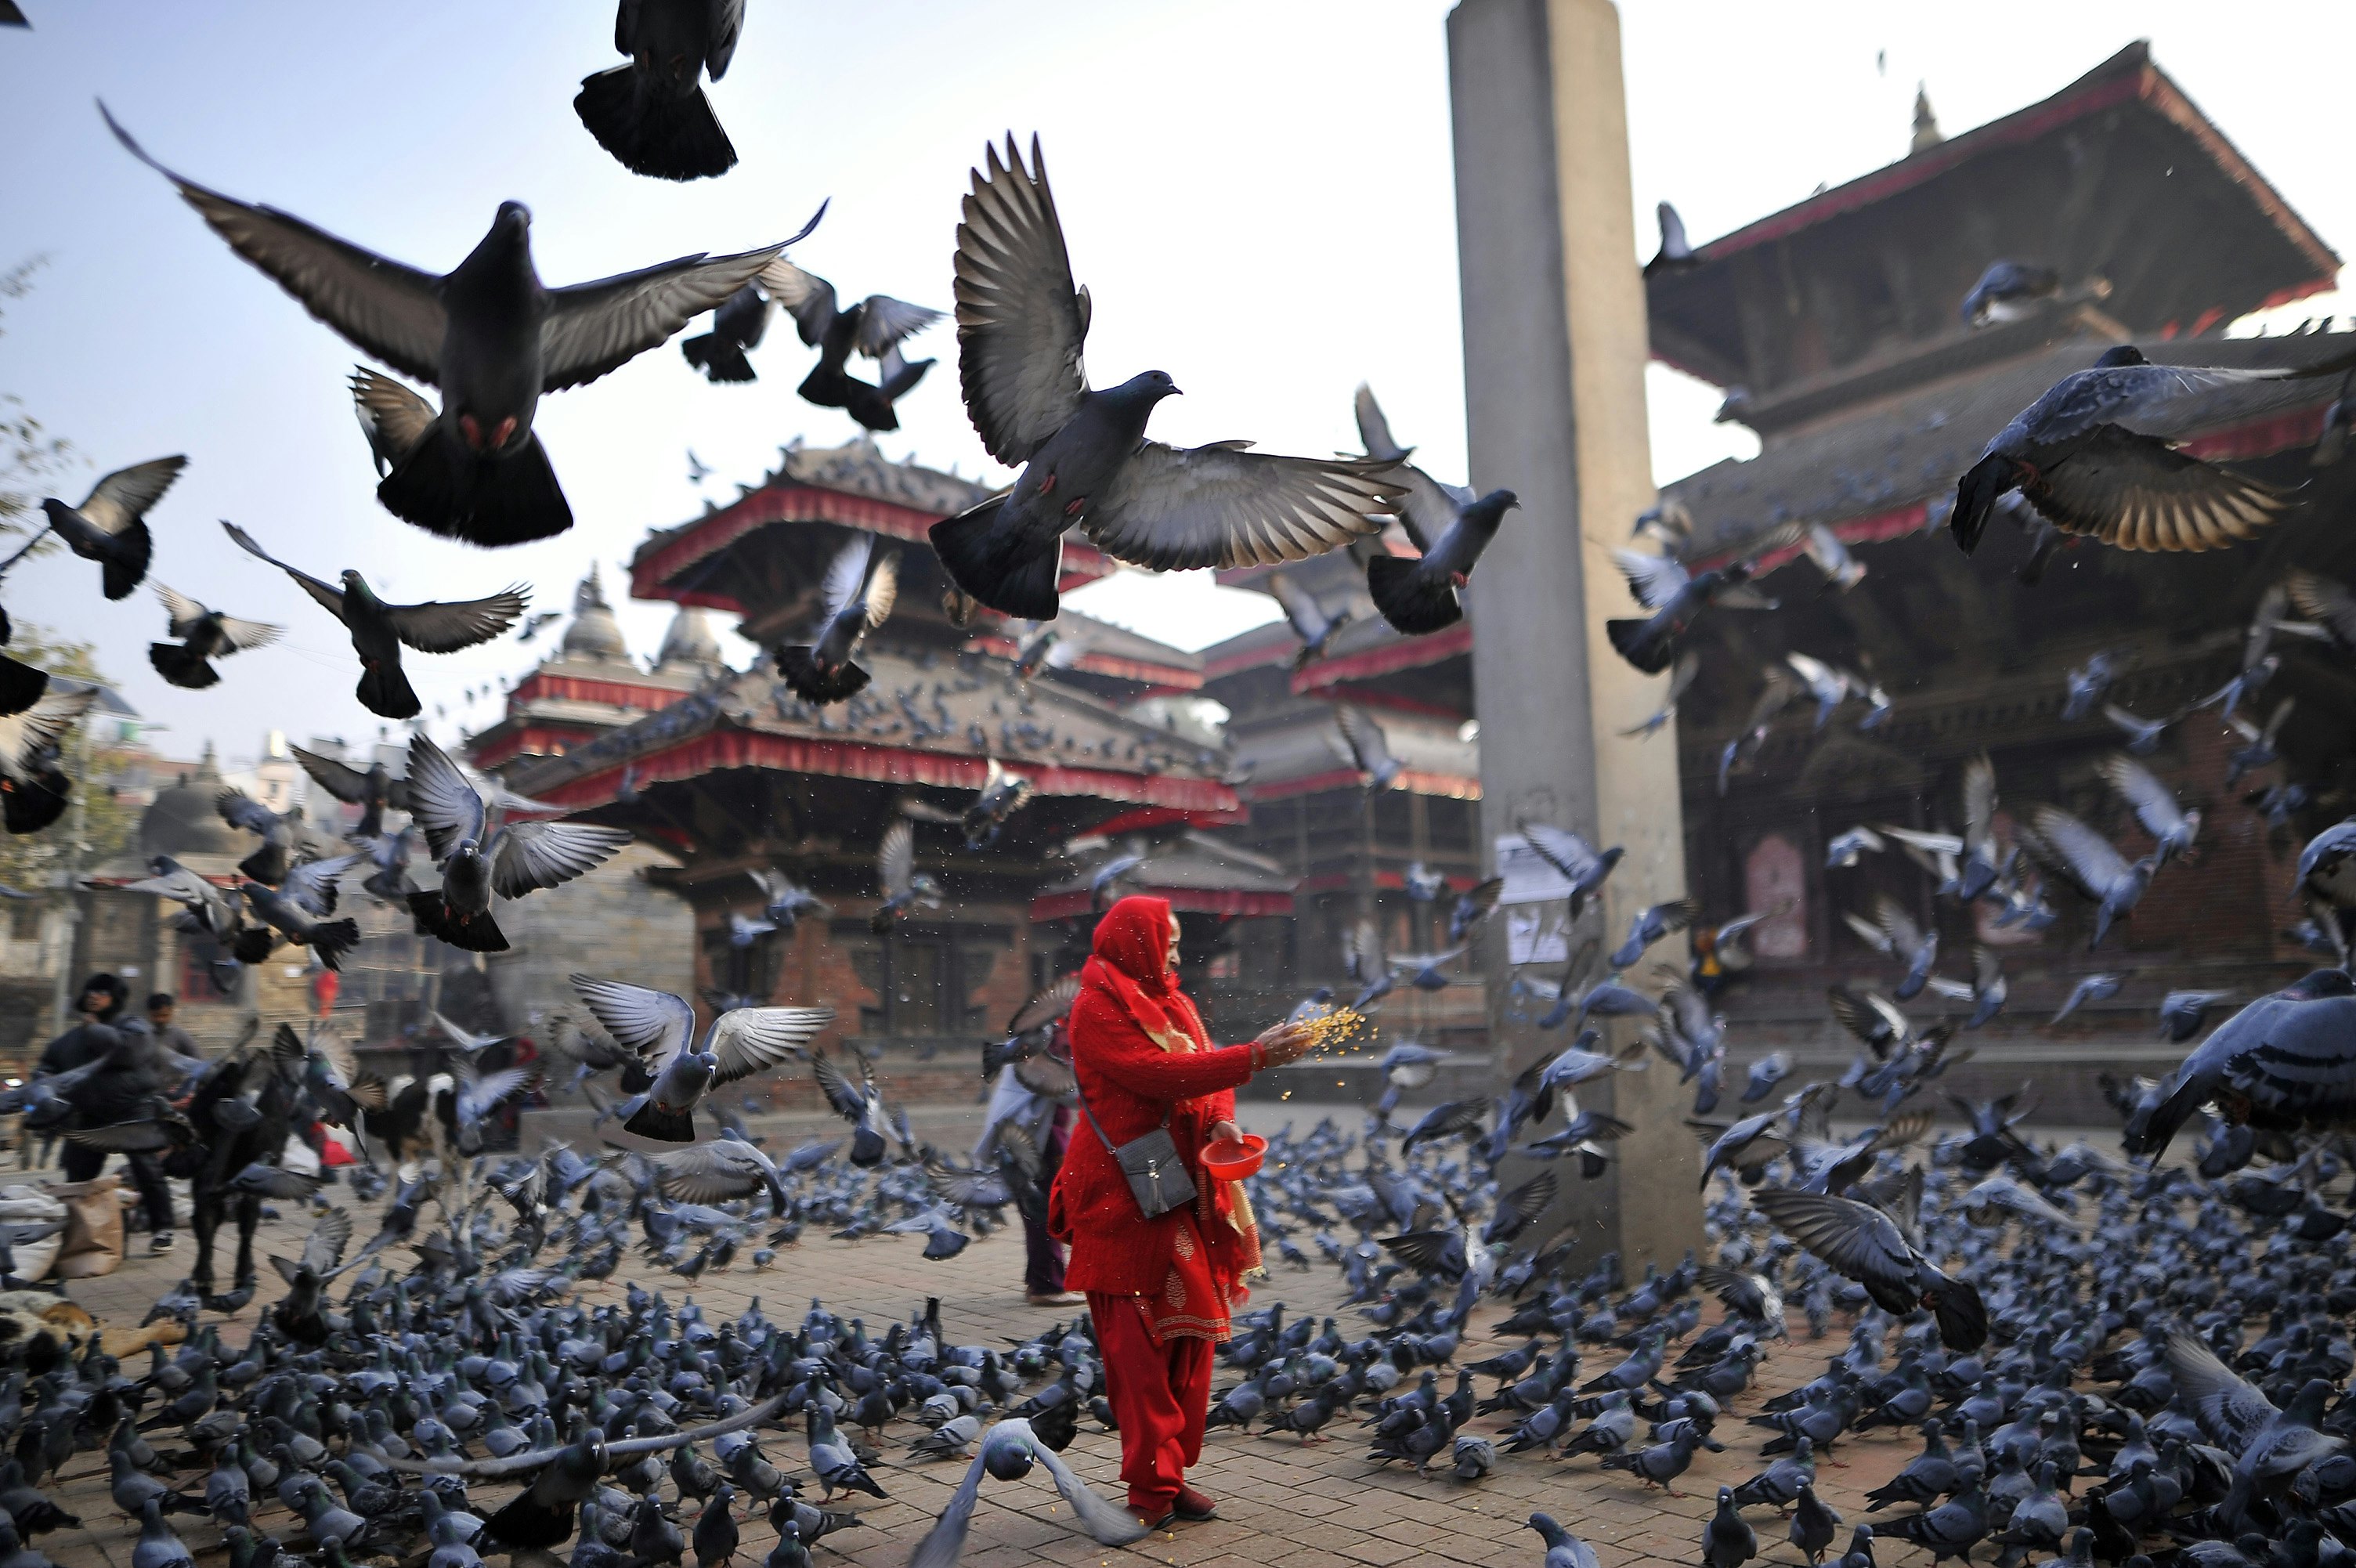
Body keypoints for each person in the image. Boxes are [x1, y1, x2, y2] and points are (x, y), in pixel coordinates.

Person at [1048, 895, 1314, 1529]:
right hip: (1120, 1198)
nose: (1172, 951)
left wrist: (1222, 1118)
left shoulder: (1176, 1002)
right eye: (1163, 941)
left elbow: (1201, 1069)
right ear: (1131, 942)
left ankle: (1170, 1476)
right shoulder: (1094, 1009)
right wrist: (1254, 1058)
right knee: (1136, 1351)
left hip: (1177, 1189)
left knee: (1190, 1338)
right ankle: (1149, 1490)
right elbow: (1159, 1074)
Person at [34, 973, 177, 1252]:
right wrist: (43, 1084)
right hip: (91, 1114)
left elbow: (129, 1054)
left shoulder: (133, 1026)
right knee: (79, 1174)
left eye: (101, 992)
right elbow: (49, 1064)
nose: (93, 996)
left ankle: (164, 1228)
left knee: (146, 1169)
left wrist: (96, 1030)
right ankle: (78, 1229)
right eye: (90, 991)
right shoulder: (72, 1038)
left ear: (114, 998)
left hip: (133, 1108)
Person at [975, 1045, 1079, 1306]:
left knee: (1038, 1211)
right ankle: (1047, 1285)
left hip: (1028, 1139)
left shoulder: (1032, 1040)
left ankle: (1039, 1279)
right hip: (1034, 1144)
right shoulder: (1040, 1047)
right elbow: (1071, 1093)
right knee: (1045, 1212)